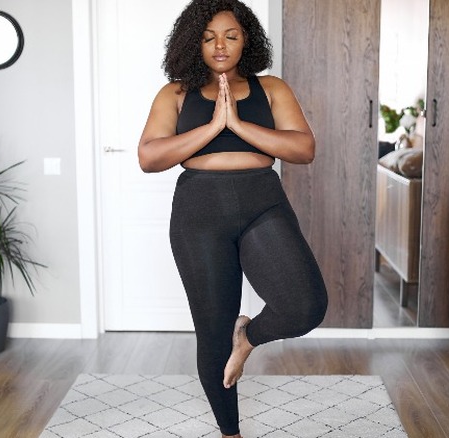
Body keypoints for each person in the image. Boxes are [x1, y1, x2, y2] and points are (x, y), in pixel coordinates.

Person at [137, 1, 328, 436]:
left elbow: (303, 149)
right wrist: (211, 127)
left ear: (248, 41)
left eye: (231, 35)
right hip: (198, 211)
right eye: (208, 37)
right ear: (193, 43)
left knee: (305, 306)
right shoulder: (176, 93)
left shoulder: (272, 88)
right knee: (213, 332)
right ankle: (231, 432)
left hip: (261, 200)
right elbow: (149, 157)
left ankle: (249, 337)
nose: (220, 45)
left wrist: (238, 125)